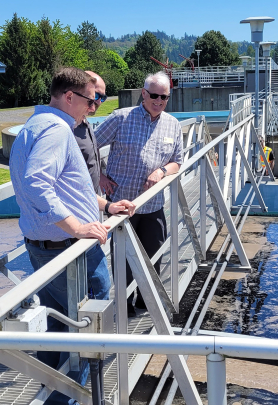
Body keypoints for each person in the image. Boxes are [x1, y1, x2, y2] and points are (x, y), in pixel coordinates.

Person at [9, 67, 135, 405]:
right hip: (70, 250)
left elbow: (69, 187)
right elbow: (37, 183)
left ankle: (54, 394)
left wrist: (107, 206)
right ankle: (75, 398)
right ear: (69, 97)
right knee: (88, 326)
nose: (92, 108)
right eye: (90, 101)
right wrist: (78, 228)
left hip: (43, 246)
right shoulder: (57, 131)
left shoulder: (32, 126)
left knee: (56, 327)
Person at [95, 71, 183, 315]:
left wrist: (162, 171)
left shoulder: (173, 124)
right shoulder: (121, 118)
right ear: (143, 93)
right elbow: (89, 147)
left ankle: (147, 305)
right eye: (153, 95)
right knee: (122, 261)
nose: (158, 101)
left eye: (163, 97)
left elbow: (178, 162)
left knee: (154, 257)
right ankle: (125, 307)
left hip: (152, 205)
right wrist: (100, 176)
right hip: (121, 207)